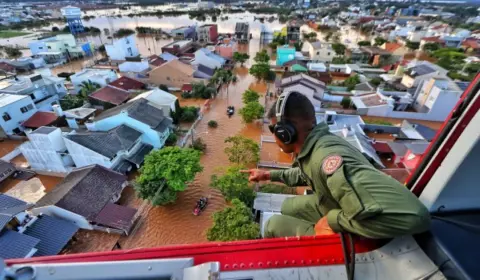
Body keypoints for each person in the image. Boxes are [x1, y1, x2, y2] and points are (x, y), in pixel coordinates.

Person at [241, 91, 431, 239]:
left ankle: (323, 242)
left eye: (274, 129)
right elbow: (306, 173)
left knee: (273, 224)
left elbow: (416, 216)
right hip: (333, 203)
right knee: (289, 206)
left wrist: (332, 222)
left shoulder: (325, 158)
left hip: (349, 214)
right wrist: (267, 175)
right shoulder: (315, 146)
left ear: (285, 132)